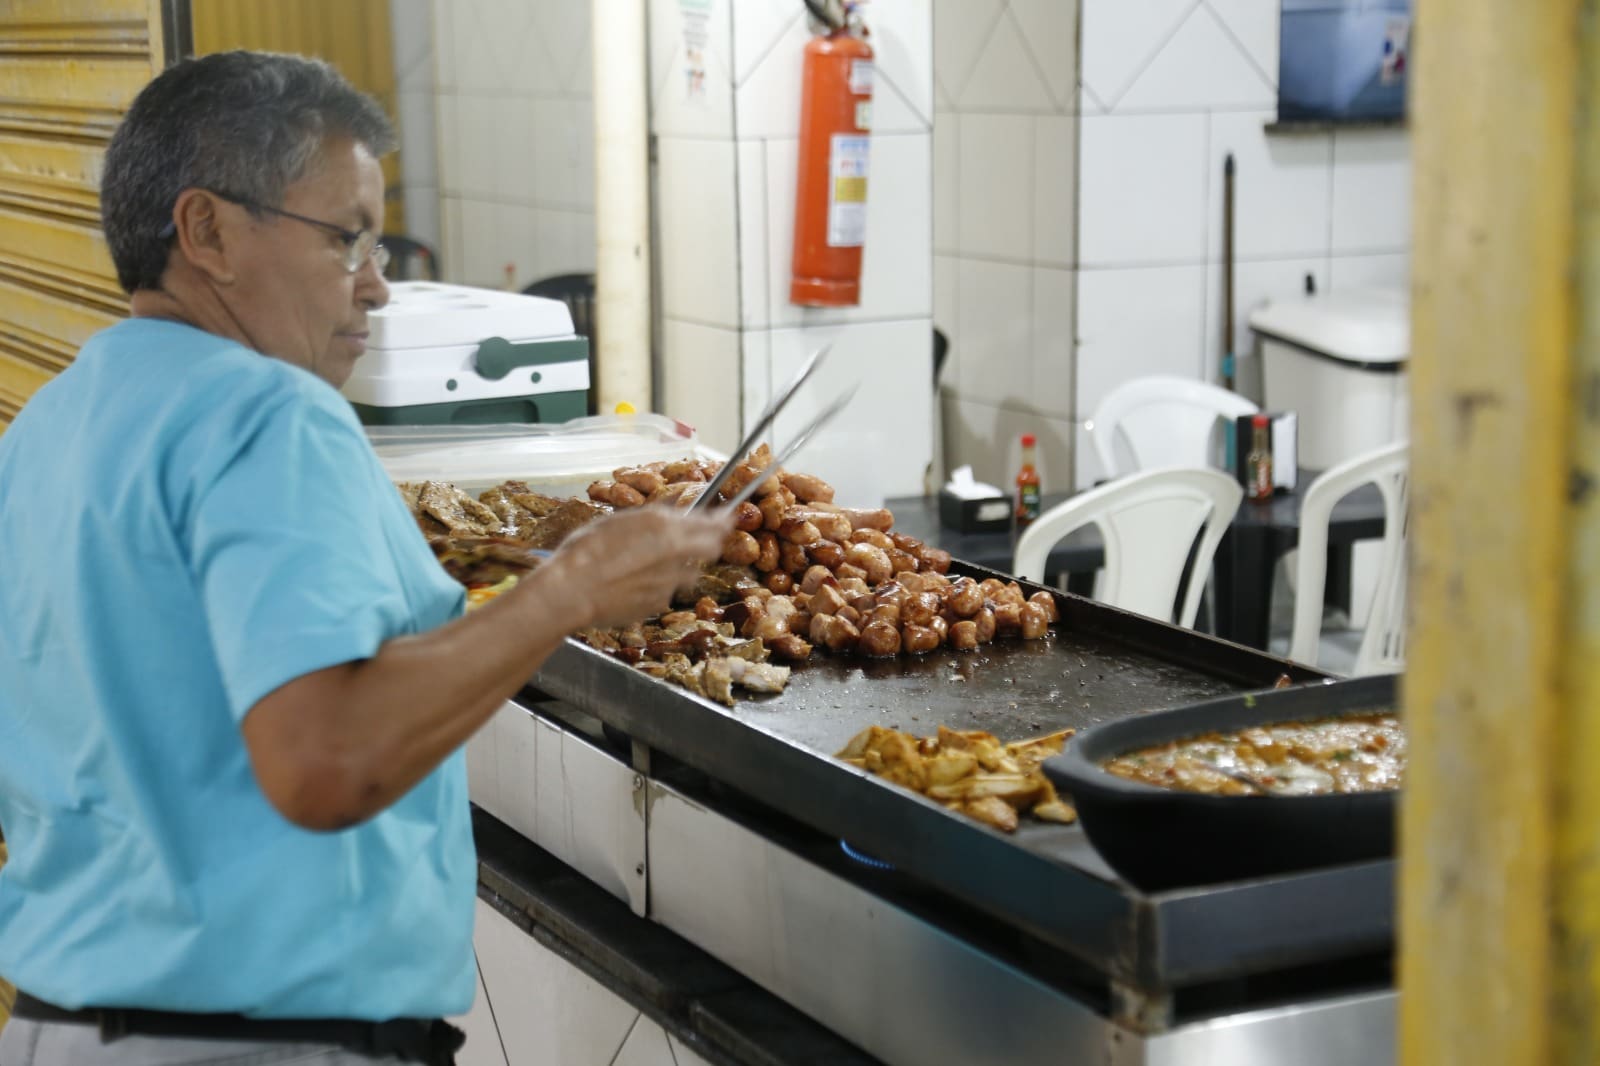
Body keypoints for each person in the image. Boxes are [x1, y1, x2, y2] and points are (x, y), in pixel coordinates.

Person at [0, 51, 729, 1066]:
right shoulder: (268, 415)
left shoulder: (48, 425)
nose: (380, 287)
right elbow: (323, 761)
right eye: (347, 239)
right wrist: (568, 592)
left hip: (62, 1028)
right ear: (205, 230)